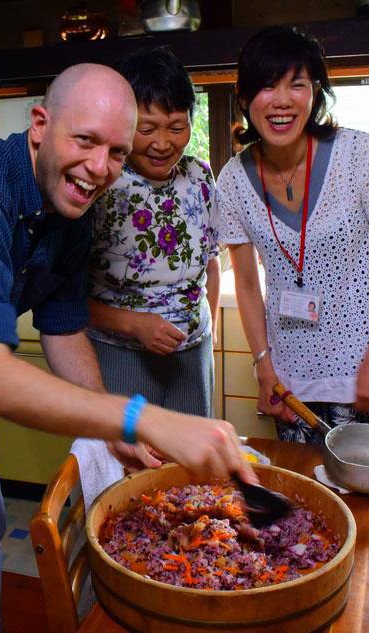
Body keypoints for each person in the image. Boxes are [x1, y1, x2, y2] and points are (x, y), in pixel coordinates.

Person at [0, 63, 255, 633]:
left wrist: (113, 431)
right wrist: (140, 419)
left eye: (115, 150)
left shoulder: (73, 207)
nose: (99, 167)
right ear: (41, 125)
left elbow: (62, 327)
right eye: (85, 141)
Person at [216, 26, 369, 443]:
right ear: (244, 100)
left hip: (361, 353)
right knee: (300, 486)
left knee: (350, 478)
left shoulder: (361, 154)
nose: (282, 100)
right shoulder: (233, 180)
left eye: (298, 85)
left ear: (316, 93)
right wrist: (263, 367)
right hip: (288, 364)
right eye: (267, 86)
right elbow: (248, 282)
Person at [87, 46, 221, 417]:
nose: (163, 143)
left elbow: (211, 260)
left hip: (192, 354)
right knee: (128, 463)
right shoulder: (99, 182)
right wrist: (134, 324)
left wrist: (208, 331)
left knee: (192, 466)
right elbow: (64, 298)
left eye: (177, 127)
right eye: (146, 129)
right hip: (120, 354)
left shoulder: (199, 175)